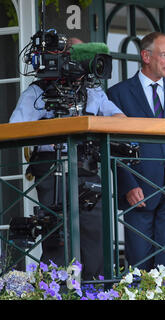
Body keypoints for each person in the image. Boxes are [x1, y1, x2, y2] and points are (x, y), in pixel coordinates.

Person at [9, 38, 126, 280]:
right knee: (58, 233)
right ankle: (55, 288)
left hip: (88, 166)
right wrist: (48, 137)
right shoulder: (39, 90)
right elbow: (15, 128)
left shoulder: (93, 89)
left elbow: (119, 117)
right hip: (52, 167)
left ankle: (94, 288)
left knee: (95, 231)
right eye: (80, 56)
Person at [107, 32, 165, 270]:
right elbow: (114, 145)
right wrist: (128, 184)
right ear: (146, 56)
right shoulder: (118, 93)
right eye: (164, 54)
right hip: (139, 188)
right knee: (139, 263)